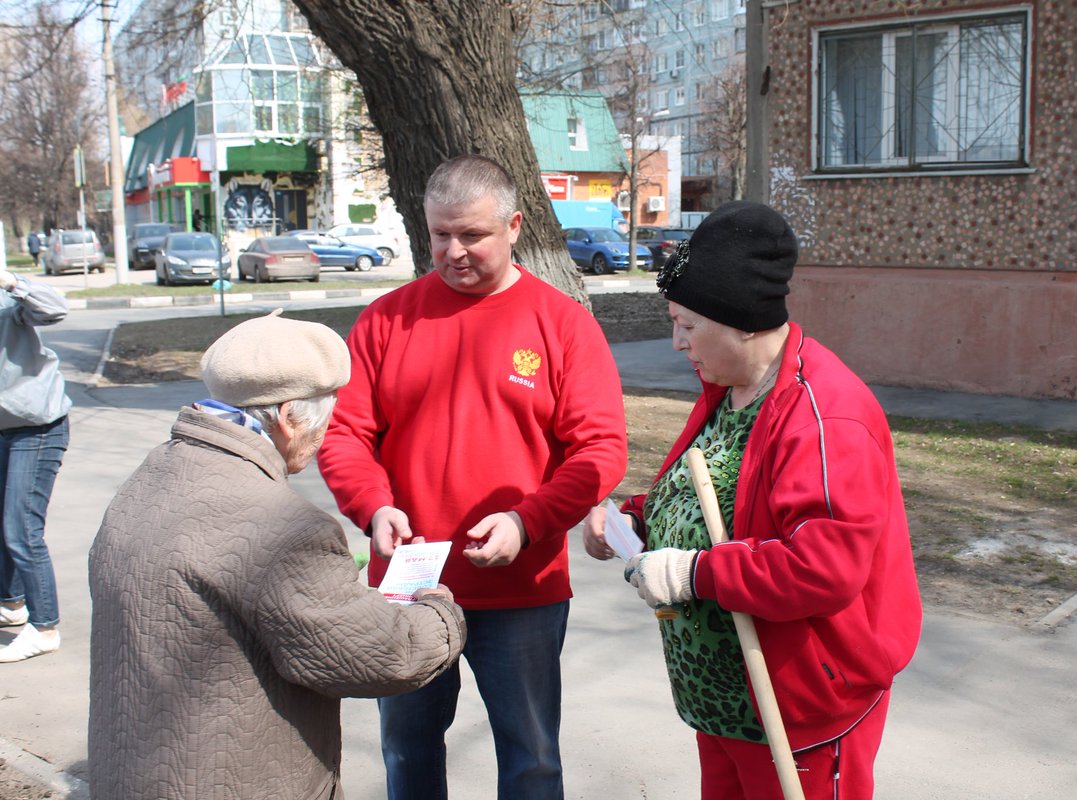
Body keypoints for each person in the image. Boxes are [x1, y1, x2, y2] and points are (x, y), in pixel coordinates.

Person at [583, 201, 922, 800]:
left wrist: (693, 573)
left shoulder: (826, 417)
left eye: (688, 325)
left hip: (797, 713)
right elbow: (712, 493)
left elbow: (822, 568)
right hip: (725, 702)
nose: (676, 342)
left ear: (743, 322)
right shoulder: (732, 387)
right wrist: (635, 519)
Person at [317, 154, 627, 800]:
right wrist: (372, 506)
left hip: (523, 590)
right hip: (411, 586)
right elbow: (344, 433)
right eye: (440, 234)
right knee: (407, 751)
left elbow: (600, 449)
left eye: (472, 235)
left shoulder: (562, 324)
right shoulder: (387, 319)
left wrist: (527, 522)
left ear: (514, 226)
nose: (454, 252)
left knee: (531, 757)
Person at [88, 311, 467, 799]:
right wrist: (438, 611)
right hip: (236, 780)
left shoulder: (151, 477)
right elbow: (386, 655)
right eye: (323, 422)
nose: (322, 438)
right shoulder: (284, 528)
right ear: (289, 417)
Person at [0, 268, 71, 663]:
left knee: (21, 529)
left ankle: (44, 628)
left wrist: (11, 282)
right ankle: (11, 604)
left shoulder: (8, 304)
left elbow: (55, 307)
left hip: (38, 428)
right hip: (4, 428)